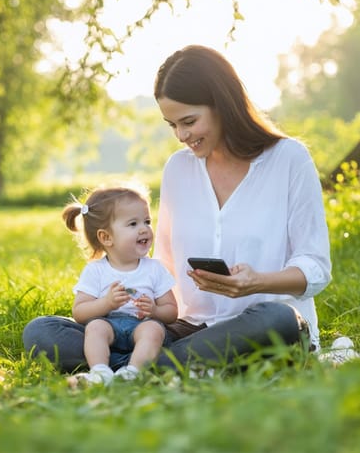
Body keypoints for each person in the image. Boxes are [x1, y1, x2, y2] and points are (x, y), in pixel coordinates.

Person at [23, 44, 333, 374]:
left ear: (222, 104)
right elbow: (166, 264)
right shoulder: (178, 169)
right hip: (185, 331)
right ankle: (164, 365)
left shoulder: (288, 159)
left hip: (258, 322)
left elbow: (315, 267)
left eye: (188, 121)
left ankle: (132, 368)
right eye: (172, 125)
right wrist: (139, 310)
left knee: (279, 320)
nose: (181, 136)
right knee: (42, 332)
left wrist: (257, 282)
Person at [61, 185, 178, 387]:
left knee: (153, 330)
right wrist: (106, 303)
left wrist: (155, 310)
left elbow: (172, 312)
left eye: (147, 221)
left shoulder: (154, 269)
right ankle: (100, 371)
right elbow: (79, 312)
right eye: (133, 224)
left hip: (140, 329)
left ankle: (132, 372)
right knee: (95, 326)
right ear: (106, 237)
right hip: (109, 327)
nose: (144, 229)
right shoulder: (95, 271)